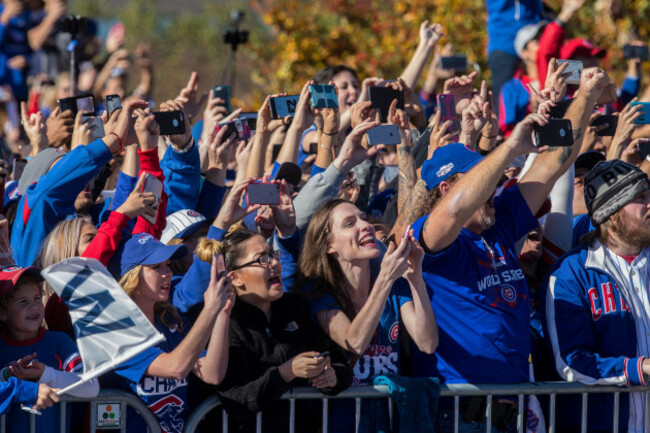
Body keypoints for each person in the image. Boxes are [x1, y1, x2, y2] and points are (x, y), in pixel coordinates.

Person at [405, 66, 609, 431]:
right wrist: (509, 146)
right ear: (446, 186)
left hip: (513, 407)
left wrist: (586, 96)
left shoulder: (501, 220)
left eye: (496, 178)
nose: (495, 186)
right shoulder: (430, 237)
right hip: (460, 413)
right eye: (483, 179)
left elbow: (555, 162)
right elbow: (455, 209)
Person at [201, 199, 352, 432]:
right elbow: (238, 399)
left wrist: (331, 377)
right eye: (262, 259)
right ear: (235, 278)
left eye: (273, 255)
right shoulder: (226, 324)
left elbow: (339, 363)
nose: (273, 264)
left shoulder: (294, 307)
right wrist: (286, 372)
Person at [300, 198, 437, 432]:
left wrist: (416, 280)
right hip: (343, 420)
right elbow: (354, 341)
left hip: (390, 418)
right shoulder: (321, 293)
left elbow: (427, 343)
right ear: (329, 245)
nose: (365, 226)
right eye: (349, 223)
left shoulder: (395, 286)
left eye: (364, 218)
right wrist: (385, 278)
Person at [544, 160, 650, 432]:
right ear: (611, 213)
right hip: (602, 423)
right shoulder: (570, 273)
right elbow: (571, 363)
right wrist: (640, 368)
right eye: (640, 198)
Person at [103, 234, 233, 433]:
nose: (168, 273)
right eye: (157, 267)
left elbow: (212, 373)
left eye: (168, 265)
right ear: (132, 275)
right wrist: (210, 310)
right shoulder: (117, 331)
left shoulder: (171, 319)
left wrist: (223, 311)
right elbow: (176, 368)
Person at [0, 265, 99, 433]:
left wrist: (45, 374)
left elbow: (92, 387)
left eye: (37, 298)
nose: (34, 306)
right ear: (2, 313)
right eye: (23, 301)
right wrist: (8, 374)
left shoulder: (59, 342)